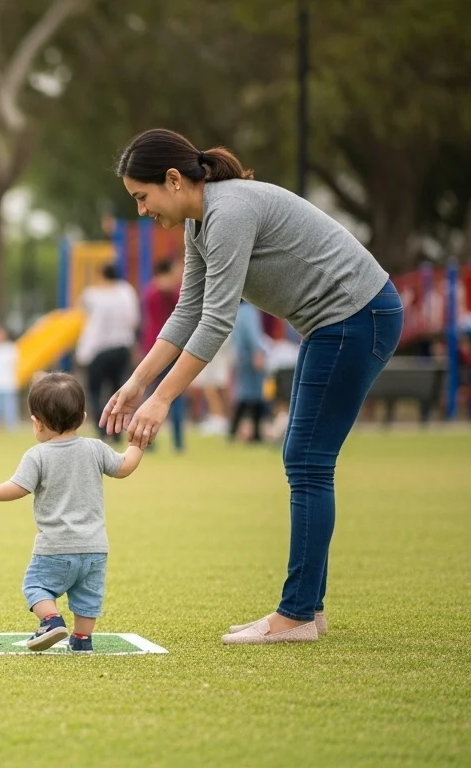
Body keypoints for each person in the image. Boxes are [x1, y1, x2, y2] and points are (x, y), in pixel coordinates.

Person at [105, 128, 402, 644]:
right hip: (338, 323)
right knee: (305, 459)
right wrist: (135, 385)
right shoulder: (200, 225)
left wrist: (162, 400)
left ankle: (298, 615)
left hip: (357, 317)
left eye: (142, 197)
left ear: (173, 180)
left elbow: (217, 322)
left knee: (307, 461)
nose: (141, 211)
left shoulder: (229, 212)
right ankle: (307, 608)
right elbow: (187, 311)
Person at [0, 373, 143, 652]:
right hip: (95, 548)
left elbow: (17, 488)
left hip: (55, 547)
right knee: (88, 598)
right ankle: (82, 640)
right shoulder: (95, 448)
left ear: (37, 423)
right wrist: (136, 445)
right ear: (83, 417)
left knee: (35, 586)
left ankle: (50, 620)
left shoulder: (37, 455)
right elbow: (124, 468)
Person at [75, 265, 140, 444]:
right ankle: (117, 430)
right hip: (122, 347)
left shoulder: (93, 294)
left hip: (98, 349)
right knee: (118, 390)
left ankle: (103, 429)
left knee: (95, 391)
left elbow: (80, 306)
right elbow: (134, 319)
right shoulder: (127, 291)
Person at [140, 259, 186, 451]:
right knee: (173, 395)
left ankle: (146, 439)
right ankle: (177, 442)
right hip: (171, 347)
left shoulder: (149, 290)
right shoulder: (172, 291)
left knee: (149, 394)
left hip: (152, 347)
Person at [229, 300, 269, 443]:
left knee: (244, 394)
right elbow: (253, 334)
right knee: (254, 395)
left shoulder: (237, 311)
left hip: (242, 356)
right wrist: (257, 352)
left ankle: (235, 431)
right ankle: (253, 433)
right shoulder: (249, 311)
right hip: (251, 357)